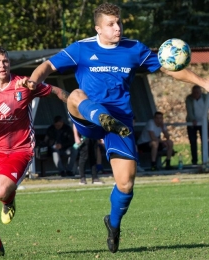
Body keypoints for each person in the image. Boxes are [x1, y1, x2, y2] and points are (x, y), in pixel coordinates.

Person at [15, 2, 209, 253]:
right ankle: (100, 115)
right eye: (111, 24)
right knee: (75, 94)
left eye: (118, 23)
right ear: (98, 28)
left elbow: (170, 69)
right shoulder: (82, 49)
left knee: (126, 184)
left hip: (120, 123)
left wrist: (203, 82)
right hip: (88, 115)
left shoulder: (134, 49)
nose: (117, 28)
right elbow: (49, 66)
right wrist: (33, 80)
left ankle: (113, 223)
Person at [0, 45, 69, 258]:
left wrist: (78, 103)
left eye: (5, 61)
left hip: (21, 150)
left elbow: (57, 91)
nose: (2, 65)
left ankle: (8, 200)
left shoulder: (24, 84)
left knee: (1, 190)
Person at [185, 85, 207, 165]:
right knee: (193, 142)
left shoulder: (205, 97)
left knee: (205, 142)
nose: (196, 94)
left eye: (197, 92)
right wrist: (192, 119)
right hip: (192, 123)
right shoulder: (189, 99)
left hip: (203, 123)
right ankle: (194, 161)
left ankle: (205, 160)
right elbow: (189, 110)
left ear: (200, 92)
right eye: (194, 93)